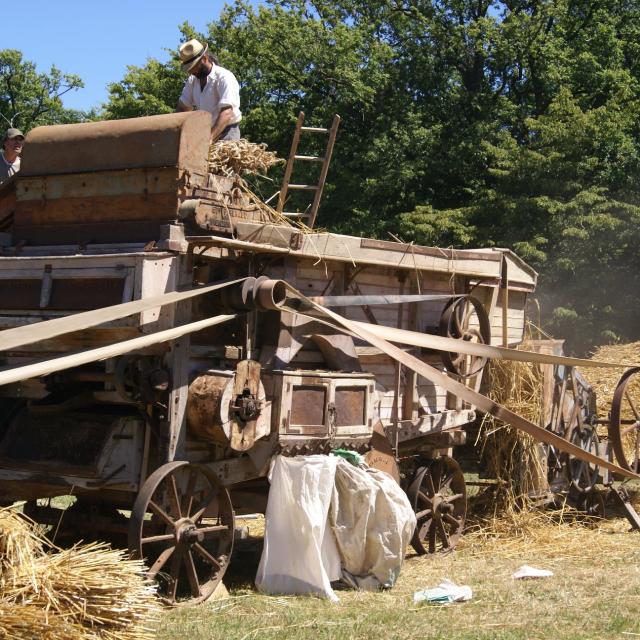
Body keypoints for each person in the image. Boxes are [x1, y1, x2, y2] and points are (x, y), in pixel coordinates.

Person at [176, 39, 242, 142]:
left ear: (205, 58)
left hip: (227, 132)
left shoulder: (224, 77)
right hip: (205, 132)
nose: (192, 71)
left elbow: (227, 113)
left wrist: (209, 139)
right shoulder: (192, 81)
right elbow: (183, 108)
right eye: (190, 69)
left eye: (194, 66)